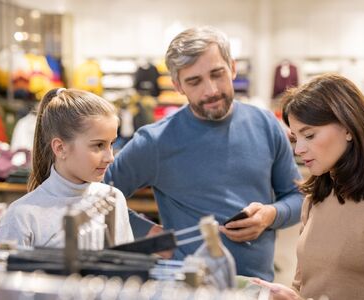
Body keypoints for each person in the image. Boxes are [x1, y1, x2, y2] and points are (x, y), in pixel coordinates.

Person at [105, 26, 303, 281]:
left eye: (217, 74)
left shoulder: (265, 124)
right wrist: (149, 234)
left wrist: (271, 215)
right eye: (194, 81)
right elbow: (98, 198)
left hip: (259, 287)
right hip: (188, 289)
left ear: (232, 68)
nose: (210, 90)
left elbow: (297, 195)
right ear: (177, 85)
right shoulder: (154, 142)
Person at [253, 74, 364, 299]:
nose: (298, 150)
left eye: (309, 135)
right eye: (296, 138)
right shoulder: (315, 198)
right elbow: (304, 286)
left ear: (348, 128)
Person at [0, 88, 134, 248]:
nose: (110, 157)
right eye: (98, 145)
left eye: (111, 144)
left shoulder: (113, 199)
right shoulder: (21, 216)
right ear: (60, 148)